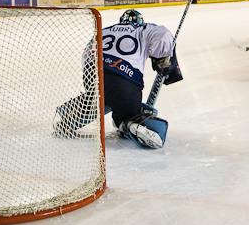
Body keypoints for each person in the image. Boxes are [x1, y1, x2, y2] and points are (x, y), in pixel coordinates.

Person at [55, 10, 183, 149]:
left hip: (93, 78)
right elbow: (163, 34)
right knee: (131, 111)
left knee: (104, 98)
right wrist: (163, 60)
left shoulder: (104, 31)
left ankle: (68, 117)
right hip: (124, 82)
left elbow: (86, 56)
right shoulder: (143, 29)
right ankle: (129, 123)